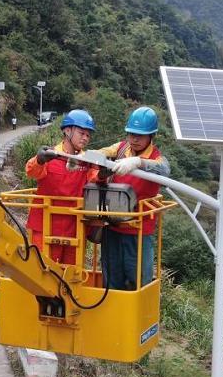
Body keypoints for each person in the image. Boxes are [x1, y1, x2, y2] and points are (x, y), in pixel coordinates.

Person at [95, 107, 170, 290]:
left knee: (139, 280)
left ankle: (136, 318)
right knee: (111, 280)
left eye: (140, 136)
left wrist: (138, 163)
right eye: (131, 134)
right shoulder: (120, 149)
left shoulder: (156, 158)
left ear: (152, 136)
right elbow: (100, 152)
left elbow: (165, 170)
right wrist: (82, 159)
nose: (134, 139)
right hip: (112, 226)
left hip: (138, 232)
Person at [25, 109, 98, 265]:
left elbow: (94, 179)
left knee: (71, 276)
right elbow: (31, 171)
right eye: (81, 133)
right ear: (67, 131)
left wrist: (104, 174)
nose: (85, 138)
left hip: (74, 227)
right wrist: (39, 159)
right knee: (41, 272)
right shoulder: (50, 155)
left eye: (88, 135)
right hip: (45, 226)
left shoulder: (87, 160)